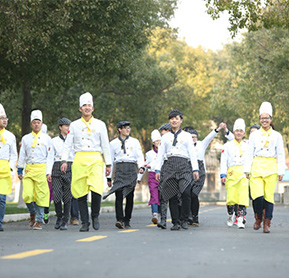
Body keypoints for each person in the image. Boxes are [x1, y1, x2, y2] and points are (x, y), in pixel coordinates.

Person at [61, 92, 111, 232]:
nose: (87, 108)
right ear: (80, 109)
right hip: (80, 159)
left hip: (95, 159)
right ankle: (85, 222)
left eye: (89, 105)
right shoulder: (74, 125)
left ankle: (95, 215)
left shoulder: (100, 124)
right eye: (84, 105)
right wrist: (64, 160)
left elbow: (105, 144)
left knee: (96, 190)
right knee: (81, 192)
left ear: (93, 108)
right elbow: (68, 144)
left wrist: (108, 163)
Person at [244, 102, 285, 233]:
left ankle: (267, 222)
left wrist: (281, 170)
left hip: (271, 167)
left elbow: (280, 153)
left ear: (271, 119)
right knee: (257, 196)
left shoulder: (277, 135)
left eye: (267, 118)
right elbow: (249, 152)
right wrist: (247, 169)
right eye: (262, 118)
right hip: (256, 166)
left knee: (268, 197)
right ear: (260, 119)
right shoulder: (254, 135)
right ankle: (258, 218)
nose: (264, 120)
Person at [155, 109, 199, 231]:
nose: (174, 120)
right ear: (169, 121)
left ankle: (184, 219)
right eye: (172, 118)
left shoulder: (187, 136)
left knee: (185, 192)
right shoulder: (165, 137)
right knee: (172, 194)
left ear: (181, 120)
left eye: (176, 118)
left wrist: (195, 169)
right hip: (169, 165)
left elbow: (192, 153)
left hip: (184, 165)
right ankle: (175, 222)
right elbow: (160, 154)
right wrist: (157, 170)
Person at [183, 123, 233, 227]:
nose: (193, 139)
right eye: (191, 137)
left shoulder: (201, 144)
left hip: (200, 172)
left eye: (195, 137)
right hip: (188, 171)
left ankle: (195, 217)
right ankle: (187, 216)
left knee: (194, 194)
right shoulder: (184, 146)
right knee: (187, 194)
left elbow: (210, 136)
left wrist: (219, 128)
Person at [104, 121, 144, 229]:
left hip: (131, 168)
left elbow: (140, 155)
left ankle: (127, 219)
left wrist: (141, 167)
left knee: (130, 196)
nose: (128, 130)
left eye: (129, 128)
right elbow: (110, 160)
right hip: (120, 169)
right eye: (125, 128)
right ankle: (119, 219)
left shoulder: (135, 142)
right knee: (119, 195)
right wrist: (108, 177)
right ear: (119, 129)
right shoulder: (113, 144)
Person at [17, 110, 53, 230]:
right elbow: (22, 155)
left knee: (41, 196)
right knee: (27, 195)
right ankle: (32, 213)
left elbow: (50, 157)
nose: (37, 124)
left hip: (42, 169)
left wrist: (49, 172)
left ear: (41, 124)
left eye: (39, 122)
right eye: (34, 122)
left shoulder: (47, 139)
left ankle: (39, 220)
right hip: (29, 169)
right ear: (31, 124)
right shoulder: (26, 138)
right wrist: (20, 169)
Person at [220, 119, 249, 229]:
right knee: (231, 198)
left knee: (242, 197)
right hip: (231, 172)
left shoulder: (247, 145)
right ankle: (230, 214)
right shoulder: (227, 146)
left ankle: (240, 219)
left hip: (243, 173)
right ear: (234, 132)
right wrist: (223, 174)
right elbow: (224, 161)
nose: (239, 133)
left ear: (244, 133)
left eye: (241, 131)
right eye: (237, 130)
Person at [51, 118, 74, 230]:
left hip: (70, 167)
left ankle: (65, 220)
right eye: (65, 126)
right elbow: (50, 157)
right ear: (60, 127)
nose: (67, 128)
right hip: (56, 166)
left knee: (67, 196)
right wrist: (48, 172)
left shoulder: (74, 141)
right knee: (56, 195)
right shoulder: (54, 141)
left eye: (69, 126)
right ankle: (59, 217)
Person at [0, 104, 17, 232]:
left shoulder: (10, 136)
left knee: (2, 198)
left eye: (6, 118)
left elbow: (14, 154)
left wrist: (11, 168)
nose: (4, 120)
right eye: (2, 118)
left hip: (4, 168)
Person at [141, 129, 162, 224]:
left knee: (162, 196)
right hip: (152, 176)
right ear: (153, 143)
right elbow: (144, 165)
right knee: (154, 194)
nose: (158, 143)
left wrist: (151, 165)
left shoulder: (164, 152)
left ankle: (161, 213)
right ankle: (155, 214)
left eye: (159, 141)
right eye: (156, 141)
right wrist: (139, 177)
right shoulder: (149, 154)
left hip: (163, 175)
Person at [157, 123, 171, 229]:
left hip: (176, 167)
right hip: (165, 168)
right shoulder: (163, 142)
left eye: (162, 131)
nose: (161, 134)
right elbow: (160, 156)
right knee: (162, 194)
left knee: (178, 196)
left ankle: (179, 219)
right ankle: (163, 220)